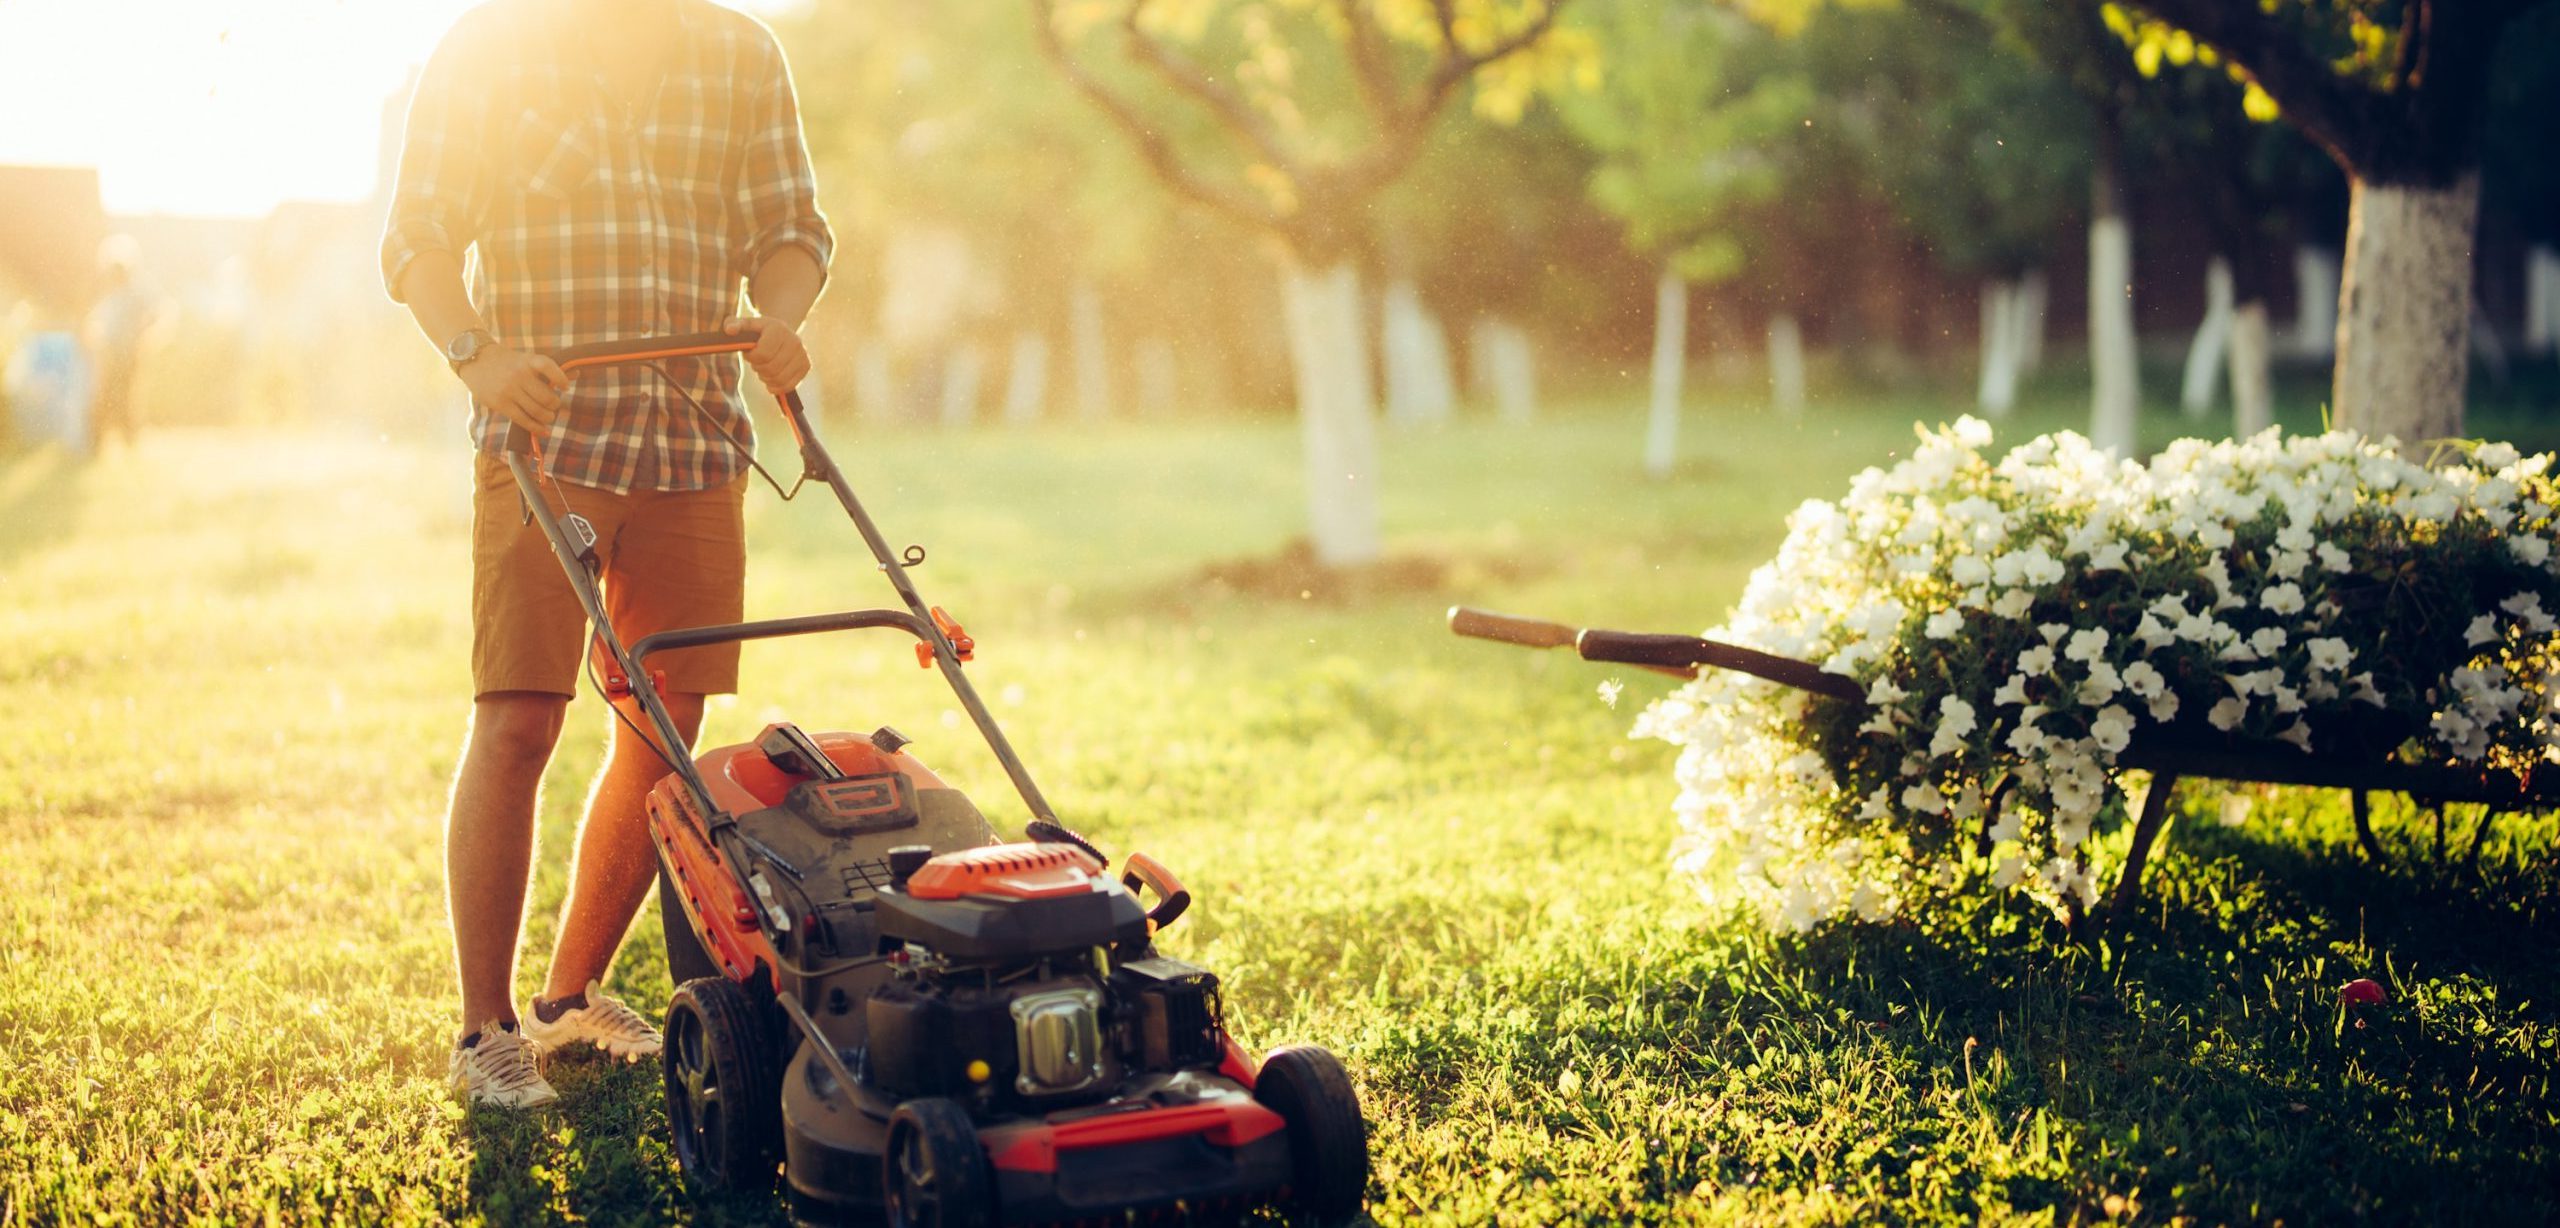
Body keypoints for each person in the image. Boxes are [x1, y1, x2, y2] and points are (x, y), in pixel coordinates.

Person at [380, 0, 832, 1109]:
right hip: (549, 434)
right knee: (522, 715)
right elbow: (419, 238)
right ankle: (483, 1030)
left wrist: (777, 317)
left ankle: (570, 996)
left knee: (667, 726)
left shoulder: (740, 53)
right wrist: (478, 356)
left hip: (693, 439)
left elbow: (791, 233)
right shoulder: (489, 44)